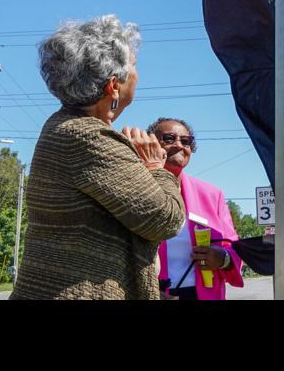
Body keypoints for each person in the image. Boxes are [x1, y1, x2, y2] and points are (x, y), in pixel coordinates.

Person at [11, 15, 186, 300]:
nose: (138, 74)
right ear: (113, 86)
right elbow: (164, 220)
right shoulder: (89, 137)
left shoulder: (65, 126)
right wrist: (156, 167)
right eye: (134, 65)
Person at [148, 117, 245, 300]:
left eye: (186, 141)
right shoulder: (136, 190)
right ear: (152, 144)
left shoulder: (212, 195)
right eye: (169, 138)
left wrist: (222, 258)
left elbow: (235, 250)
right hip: (151, 294)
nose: (179, 145)